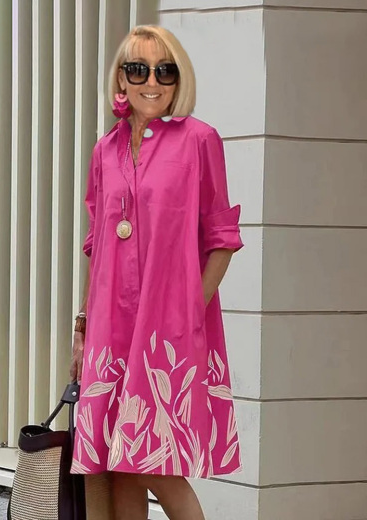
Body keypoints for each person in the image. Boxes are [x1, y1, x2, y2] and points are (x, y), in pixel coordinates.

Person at [70, 25, 244, 520]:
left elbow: (222, 238)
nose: (152, 81)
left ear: (178, 79)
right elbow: (98, 247)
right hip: (109, 327)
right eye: (139, 69)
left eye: (164, 71)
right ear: (121, 79)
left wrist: (189, 308)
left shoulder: (199, 140)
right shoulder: (105, 151)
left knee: (157, 463)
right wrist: (82, 328)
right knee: (120, 463)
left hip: (168, 328)